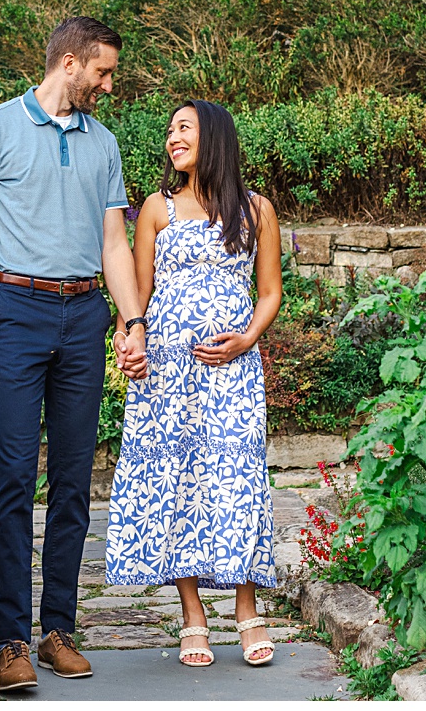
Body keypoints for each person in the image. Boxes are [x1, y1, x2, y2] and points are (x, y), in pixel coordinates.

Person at [0, 16, 150, 693]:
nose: (108, 83)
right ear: (69, 64)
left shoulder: (104, 144)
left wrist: (132, 321)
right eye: (103, 71)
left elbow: (114, 245)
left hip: (82, 315)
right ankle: (9, 640)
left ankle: (57, 629)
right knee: (11, 479)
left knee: (71, 482)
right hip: (14, 313)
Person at [104, 99, 283, 668]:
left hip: (229, 369)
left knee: (235, 478)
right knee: (176, 480)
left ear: (215, 137)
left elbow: (270, 292)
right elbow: (138, 293)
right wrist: (128, 341)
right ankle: (192, 615)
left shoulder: (257, 210)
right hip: (166, 373)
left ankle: (246, 607)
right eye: (170, 131)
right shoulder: (157, 209)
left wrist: (246, 339)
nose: (172, 138)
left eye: (184, 128)